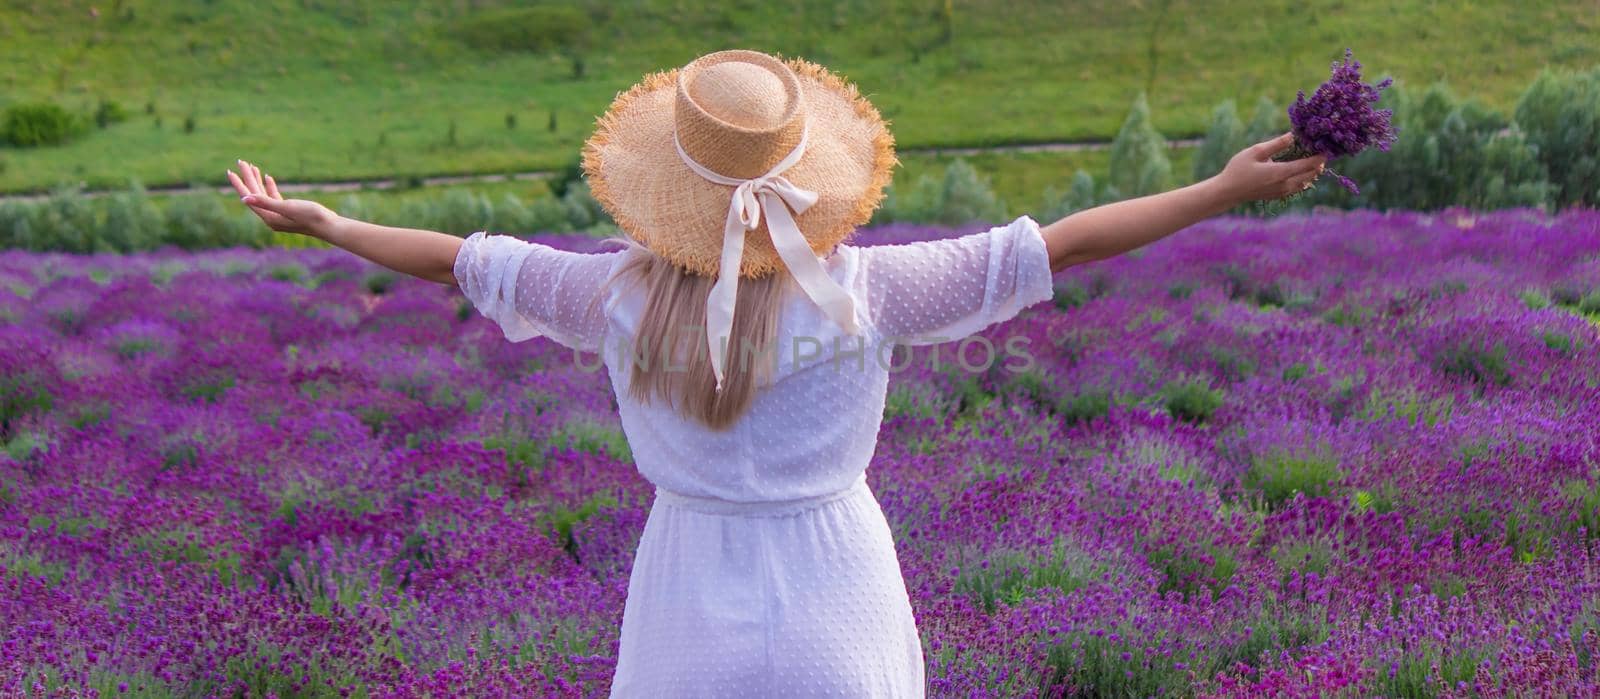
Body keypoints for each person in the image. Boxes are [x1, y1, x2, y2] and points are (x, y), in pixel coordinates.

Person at [228, 49, 1325, 698]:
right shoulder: (872, 292)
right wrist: (1222, 189)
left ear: (666, 187)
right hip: (835, 580)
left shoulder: (611, 296)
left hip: (686, 583)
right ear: (807, 180)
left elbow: (452, 261)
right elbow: (1066, 243)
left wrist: (326, 223)